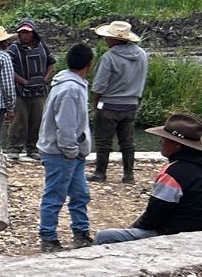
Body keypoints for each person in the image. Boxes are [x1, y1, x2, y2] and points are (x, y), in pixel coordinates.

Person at [96, 113, 202, 244]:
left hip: (175, 234)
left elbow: (153, 218)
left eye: (163, 139)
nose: (160, 142)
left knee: (103, 236)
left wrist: (134, 228)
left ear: (177, 145)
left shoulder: (174, 173)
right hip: (196, 230)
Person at [37, 43, 95, 253]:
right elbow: (66, 126)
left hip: (72, 151)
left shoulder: (72, 84)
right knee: (55, 196)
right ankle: (48, 238)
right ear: (89, 65)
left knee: (80, 194)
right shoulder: (71, 89)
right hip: (61, 152)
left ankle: (81, 232)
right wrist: (71, 151)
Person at [89, 20, 148, 184]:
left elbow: (99, 86)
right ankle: (128, 175)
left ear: (113, 39)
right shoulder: (142, 55)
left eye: (107, 37)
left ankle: (100, 173)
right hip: (131, 104)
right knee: (127, 142)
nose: (105, 40)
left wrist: (96, 103)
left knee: (103, 141)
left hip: (108, 105)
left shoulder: (109, 57)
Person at [7, 20, 54, 160]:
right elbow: (9, 69)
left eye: (27, 32)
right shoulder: (14, 49)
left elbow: (51, 63)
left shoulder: (42, 46)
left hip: (39, 92)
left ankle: (33, 148)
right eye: (22, 33)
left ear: (33, 33)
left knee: (37, 121)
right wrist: (23, 81)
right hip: (21, 91)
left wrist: (46, 78)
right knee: (19, 121)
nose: (25, 35)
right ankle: (14, 148)